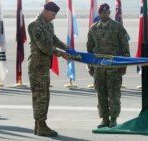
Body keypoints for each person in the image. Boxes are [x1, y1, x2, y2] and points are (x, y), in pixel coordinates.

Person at [28, 1, 77, 137]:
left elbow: (53, 39)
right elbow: (43, 46)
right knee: (40, 97)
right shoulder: (35, 25)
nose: (54, 17)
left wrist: (66, 47)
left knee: (44, 95)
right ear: (45, 10)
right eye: (53, 14)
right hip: (37, 66)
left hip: (43, 66)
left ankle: (39, 125)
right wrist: (61, 54)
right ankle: (41, 125)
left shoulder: (48, 24)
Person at [87, 3, 130, 128]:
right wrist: (90, 66)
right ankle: (104, 119)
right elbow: (89, 48)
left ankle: (113, 119)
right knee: (101, 93)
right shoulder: (93, 28)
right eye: (101, 12)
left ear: (109, 13)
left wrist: (124, 64)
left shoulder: (117, 27)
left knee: (114, 93)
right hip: (99, 68)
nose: (103, 14)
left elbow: (124, 47)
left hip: (114, 67)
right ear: (99, 14)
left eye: (106, 12)